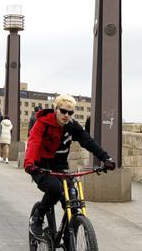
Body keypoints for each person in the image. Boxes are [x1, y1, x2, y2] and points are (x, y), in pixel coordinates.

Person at [24, 95, 115, 238]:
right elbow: (33, 143)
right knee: (55, 188)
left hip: (60, 168)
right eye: (63, 111)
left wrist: (105, 158)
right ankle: (38, 215)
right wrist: (29, 164)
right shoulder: (43, 123)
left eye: (70, 113)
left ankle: (69, 244)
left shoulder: (72, 126)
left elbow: (88, 142)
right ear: (56, 109)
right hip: (40, 167)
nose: (66, 115)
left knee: (73, 202)